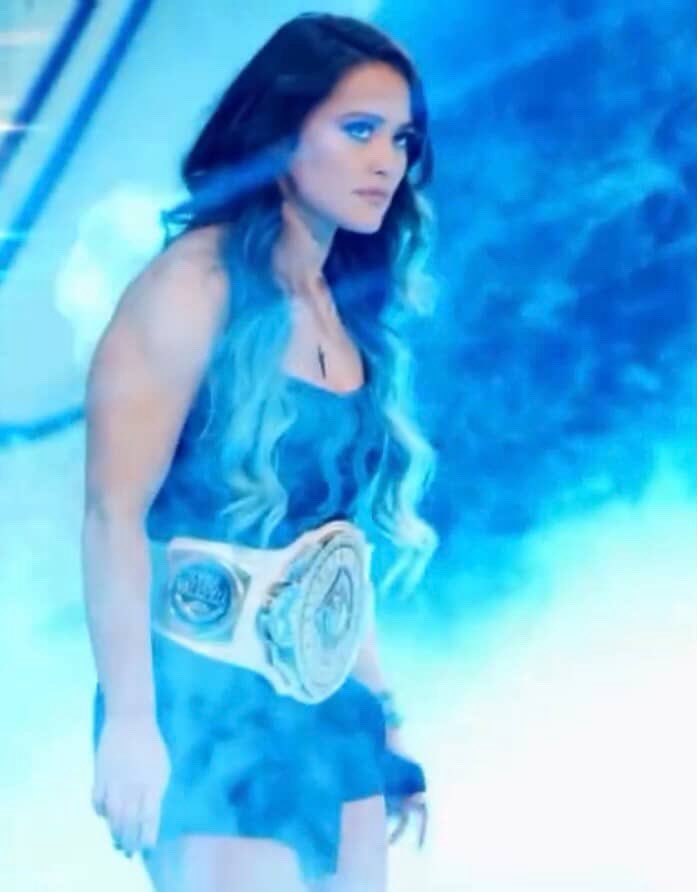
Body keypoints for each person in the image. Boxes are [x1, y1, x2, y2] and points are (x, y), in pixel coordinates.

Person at [82, 12, 439, 892]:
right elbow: (111, 515)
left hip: (330, 712)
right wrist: (130, 723)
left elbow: (329, 545)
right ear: (282, 131)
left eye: (400, 138)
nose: (386, 161)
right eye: (358, 130)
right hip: (204, 704)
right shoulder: (189, 288)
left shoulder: (342, 306)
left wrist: (385, 712)